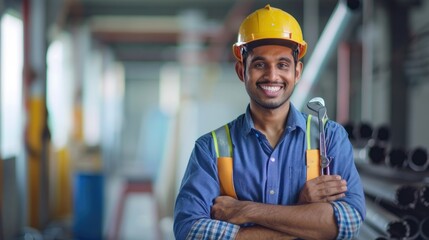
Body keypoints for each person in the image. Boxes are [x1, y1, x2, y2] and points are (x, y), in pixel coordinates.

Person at [174, 4, 365, 240]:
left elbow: (349, 222)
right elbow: (190, 231)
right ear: (241, 70)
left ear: (297, 72)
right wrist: (304, 215)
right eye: (259, 64)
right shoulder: (210, 148)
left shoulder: (330, 137)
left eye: (283, 65)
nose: (272, 76)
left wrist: (245, 211)